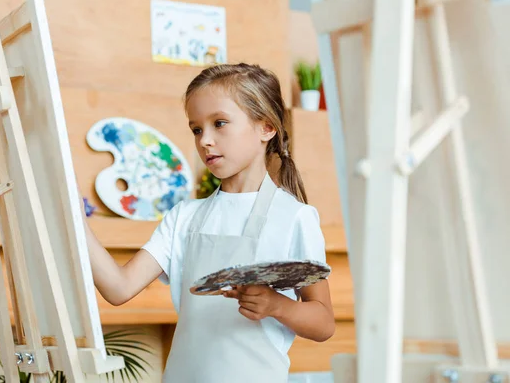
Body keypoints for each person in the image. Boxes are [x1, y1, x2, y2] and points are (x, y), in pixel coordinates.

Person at [84, 63, 335, 382]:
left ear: (266, 128)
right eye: (197, 129)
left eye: (219, 123)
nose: (205, 140)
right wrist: (75, 224)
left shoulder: (294, 217)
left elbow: (324, 323)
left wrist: (276, 305)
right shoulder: (183, 218)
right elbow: (119, 288)